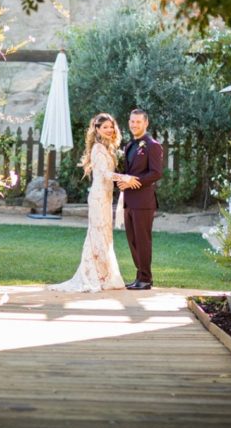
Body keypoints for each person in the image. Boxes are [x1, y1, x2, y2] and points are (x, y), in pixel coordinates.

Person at [48, 113, 130, 293]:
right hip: (98, 197)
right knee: (97, 234)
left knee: (105, 235)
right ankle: (95, 275)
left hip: (106, 197)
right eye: (105, 127)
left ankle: (105, 274)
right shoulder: (97, 149)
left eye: (111, 126)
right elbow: (104, 174)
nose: (109, 130)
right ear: (97, 130)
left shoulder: (107, 148)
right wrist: (125, 178)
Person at [117, 109, 164, 290]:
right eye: (131, 121)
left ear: (146, 123)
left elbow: (156, 173)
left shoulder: (152, 145)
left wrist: (132, 182)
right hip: (129, 201)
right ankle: (140, 276)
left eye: (138, 122)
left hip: (144, 202)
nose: (134, 125)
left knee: (143, 240)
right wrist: (121, 180)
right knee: (133, 240)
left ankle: (145, 278)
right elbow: (128, 172)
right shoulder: (129, 145)